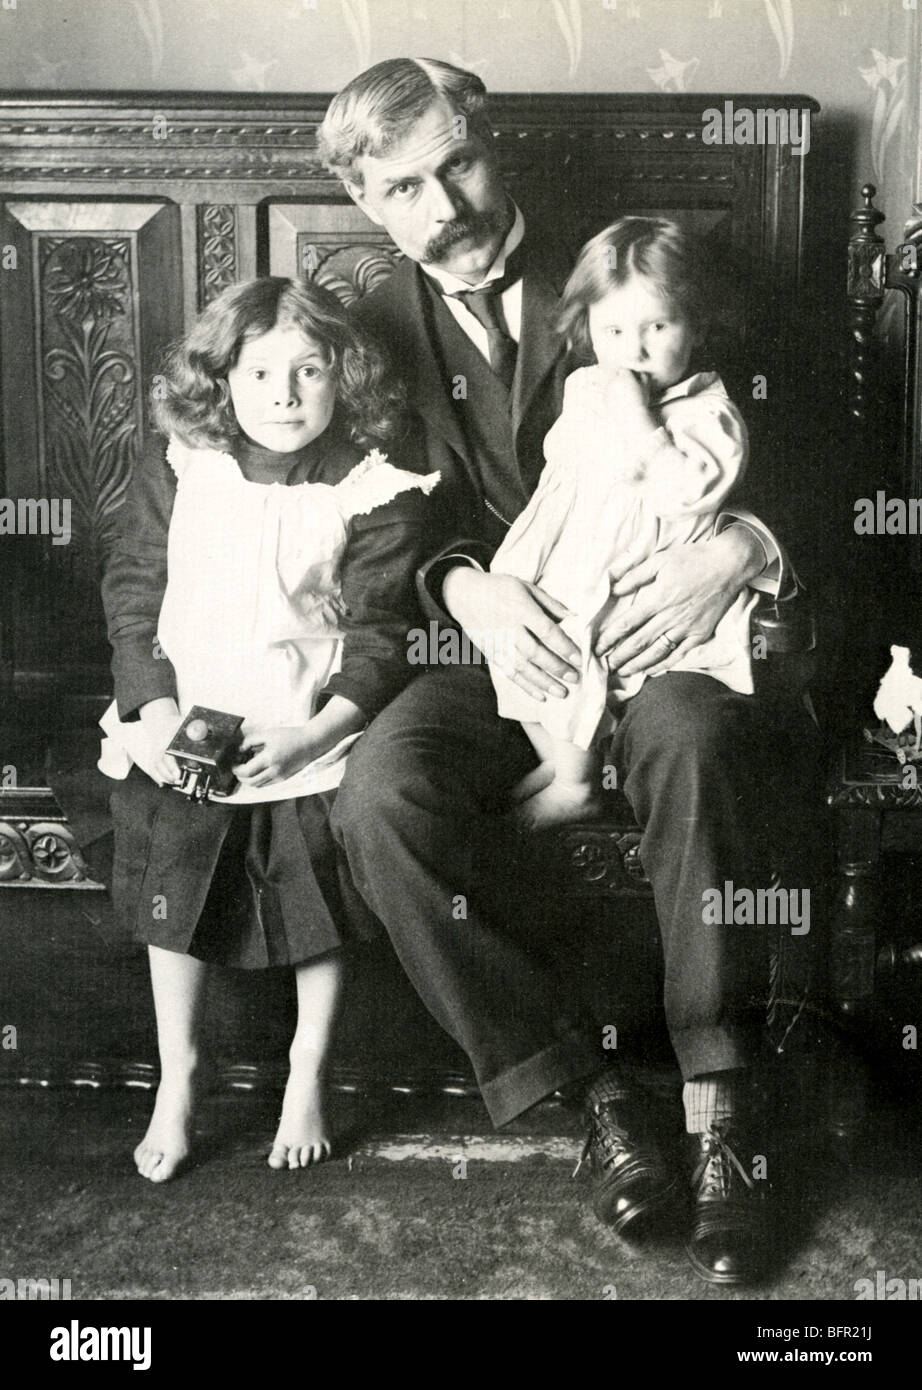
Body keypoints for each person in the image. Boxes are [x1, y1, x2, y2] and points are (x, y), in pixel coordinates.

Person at [318, 57, 800, 1283]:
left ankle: (723, 1115)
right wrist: (466, 593)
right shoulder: (366, 325)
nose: (446, 207)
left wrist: (743, 548)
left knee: (694, 738)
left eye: (460, 165)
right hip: (506, 635)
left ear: (495, 146)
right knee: (379, 794)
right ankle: (589, 1094)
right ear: (370, 203)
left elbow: (799, 437)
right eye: (406, 189)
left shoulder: (632, 264)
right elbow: (388, 526)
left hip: (664, 625)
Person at [98, 276, 437, 1183]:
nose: (284, 395)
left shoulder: (373, 486)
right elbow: (134, 591)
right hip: (188, 711)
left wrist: (317, 734)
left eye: (310, 370)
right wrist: (157, 712)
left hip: (300, 718)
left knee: (314, 899)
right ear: (223, 383)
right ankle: (180, 1076)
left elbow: (380, 633)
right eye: (259, 374)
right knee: (175, 885)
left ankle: (306, 1070)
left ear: (345, 378)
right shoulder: (183, 465)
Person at [491, 217, 757, 829]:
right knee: (516, 639)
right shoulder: (588, 386)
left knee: (581, 639)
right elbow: (564, 463)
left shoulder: (708, 412)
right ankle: (559, 762)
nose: (633, 350)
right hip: (569, 544)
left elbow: (690, 491)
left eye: (657, 327)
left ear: (696, 327)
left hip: (633, 563)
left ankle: (578, 784)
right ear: (587, 330)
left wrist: (641, 425)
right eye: (612, 329)